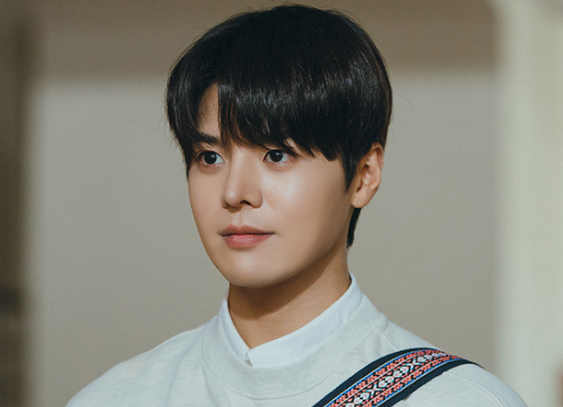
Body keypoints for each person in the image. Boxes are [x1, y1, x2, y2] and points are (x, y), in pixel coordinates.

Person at [67, 5, 527, 406]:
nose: (235, 192)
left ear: (364, 175)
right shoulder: (117, 398)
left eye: (276, 155)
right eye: (210, 157)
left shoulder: (455, 398)